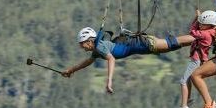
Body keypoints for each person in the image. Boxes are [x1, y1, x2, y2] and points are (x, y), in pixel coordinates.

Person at [62, 27, 194, 93]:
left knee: (171, 43)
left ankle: (201, 38)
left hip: (140, 43)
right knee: (172, 46)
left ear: (89, 41)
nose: (81, 47)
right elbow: (88, 62)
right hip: (140, 45)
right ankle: (200, 39)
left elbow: (111, 59)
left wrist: (109, 82)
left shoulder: (100, 47)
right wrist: (71, 70)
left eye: (82, 44)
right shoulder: (97, 49)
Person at [174, 10, 216, 108]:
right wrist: (199, 19)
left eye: (202, 24)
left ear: (210, 25)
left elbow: (192, 31)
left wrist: (196, 19)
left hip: (196, 60)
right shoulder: (211, 31)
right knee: (188, 80)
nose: (200, 25)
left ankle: (184, 107)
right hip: (199, 59)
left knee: (183, 81)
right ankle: (187, 99)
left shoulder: (205, 34)